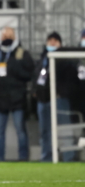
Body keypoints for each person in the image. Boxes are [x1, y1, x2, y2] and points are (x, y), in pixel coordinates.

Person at [0, 27, 34, 161]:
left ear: (15, 36)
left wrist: (15, 69)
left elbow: (30, 73)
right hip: (0, 98)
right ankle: (0, 158)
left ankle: (23, 158)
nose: (6, 38)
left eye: (9, 35)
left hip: (17, 98)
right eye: (4, 35)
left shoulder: (22, 53)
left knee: (20, 130)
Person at [32, 32, 76, 162]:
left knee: (64, 129)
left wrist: (61, 93)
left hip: (59, 99)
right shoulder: (42, 60)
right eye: (50, 40)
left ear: (60, 43)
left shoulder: (66, 60)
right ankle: (46, 157)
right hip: (43, 100)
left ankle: (69, 157)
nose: (52, 42)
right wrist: (35, 92)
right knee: (44, 131)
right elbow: (36, 78)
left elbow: (71, 80)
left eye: (55, 40)